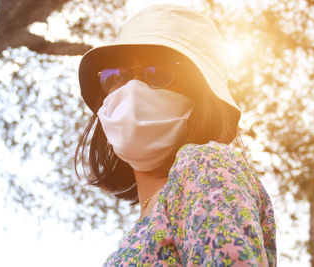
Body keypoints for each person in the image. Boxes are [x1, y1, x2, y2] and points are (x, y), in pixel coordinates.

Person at [76, 4, 276, 266]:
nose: (133, 88)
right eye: (116, 76)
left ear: (201, 96)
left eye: (158, 72)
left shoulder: (206, 165)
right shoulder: (145, 223)